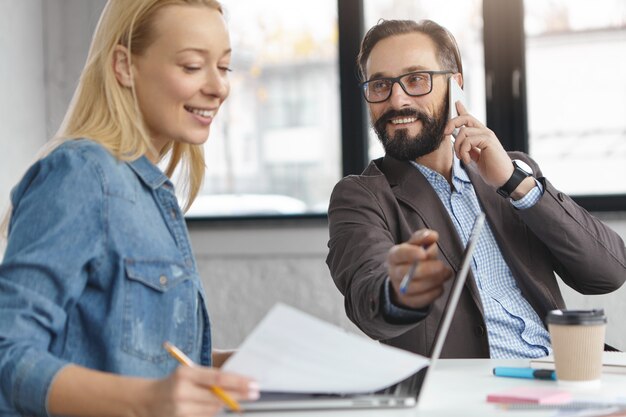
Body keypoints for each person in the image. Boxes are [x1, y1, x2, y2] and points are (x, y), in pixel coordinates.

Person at [0, 1, 260, 416]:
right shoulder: (81, 174)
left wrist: (232, 368)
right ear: (123, 65)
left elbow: (121, 357)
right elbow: (7, 352)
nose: (219, 87)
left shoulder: (148, 191)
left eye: (224, 67)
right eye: (193, 66)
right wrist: (146, 402)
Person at [326, 19, 626, 359]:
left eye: (416, 80)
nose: (397, 100)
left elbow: (609, 273)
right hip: (477, 395)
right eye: (380, 85)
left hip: (565, 374)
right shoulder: (362, 197)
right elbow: (368, 297)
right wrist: (399, 292)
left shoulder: (510, 173)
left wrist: (516, 184)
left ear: (456, 85)